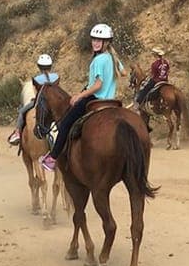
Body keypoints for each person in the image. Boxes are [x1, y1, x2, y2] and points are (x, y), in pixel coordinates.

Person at [40, 23, 123, 172]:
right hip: (111, 100)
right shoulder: (112, 58)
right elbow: (122, 73)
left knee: (65, 124)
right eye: (94, 39)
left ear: (107, 42)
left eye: (99, 40)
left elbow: (98, 85)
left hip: (95, 99)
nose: (95, 43)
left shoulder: (98, 60)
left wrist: (80, 95)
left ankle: (52, 158)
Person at [8, 54, 59, 146]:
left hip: (41, 103)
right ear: (50, 66)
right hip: (55, 103)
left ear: (39, 67)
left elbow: (37, 94)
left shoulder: (36, 79)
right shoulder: (56, 76)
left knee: (22, 112)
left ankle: (17, 133)